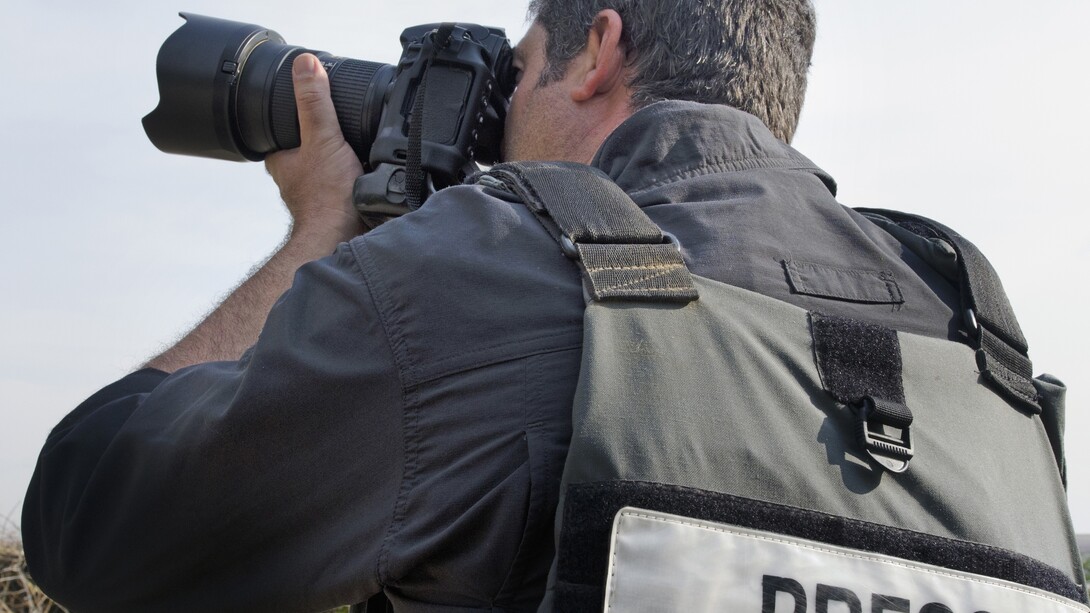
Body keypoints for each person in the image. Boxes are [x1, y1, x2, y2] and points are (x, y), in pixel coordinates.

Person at [22, 0, 1012, 611]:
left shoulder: (495, 272)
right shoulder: (971, 330)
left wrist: (322, 226)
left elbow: (95, 529)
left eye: (520, 65)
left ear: (597, 52)